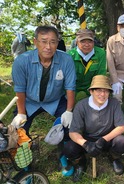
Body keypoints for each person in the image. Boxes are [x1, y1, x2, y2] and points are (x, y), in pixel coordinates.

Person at [11, 25, 76, 173]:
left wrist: (69, 110)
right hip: (29, 101)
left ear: (57, 43)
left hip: (55, 99)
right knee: (19, 130)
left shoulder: (66, 60)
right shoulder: (22, 61)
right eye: (43, 41)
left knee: (69, 124)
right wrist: (21, 112)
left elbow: (70, 87)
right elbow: (20, 90)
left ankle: (63, 157)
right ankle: (24, 163)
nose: (48, 46)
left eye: (53, 42)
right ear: (35, 42)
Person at [63, 75, 124, 181]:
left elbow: (122, 126)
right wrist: (85, 144)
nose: (102, 94)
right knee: (69, 148)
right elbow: (73, 132)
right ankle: (81, 162)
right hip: (87, 139)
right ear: (91, 91)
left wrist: (103, 140)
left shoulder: (114, 104)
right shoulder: (81, 106)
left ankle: (114, 157)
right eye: (98, 90)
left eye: (106, 91)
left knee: (122, 141)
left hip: (107, 139)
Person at [68, 29, 107, 98]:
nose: (87, 45)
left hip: (93, 88)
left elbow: (101, 75)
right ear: (77, 42)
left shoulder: (101, 53)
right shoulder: (70, 55)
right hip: (74, 89)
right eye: (82, 41)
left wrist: (95, 92)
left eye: (90, 41)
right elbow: (68, 80)